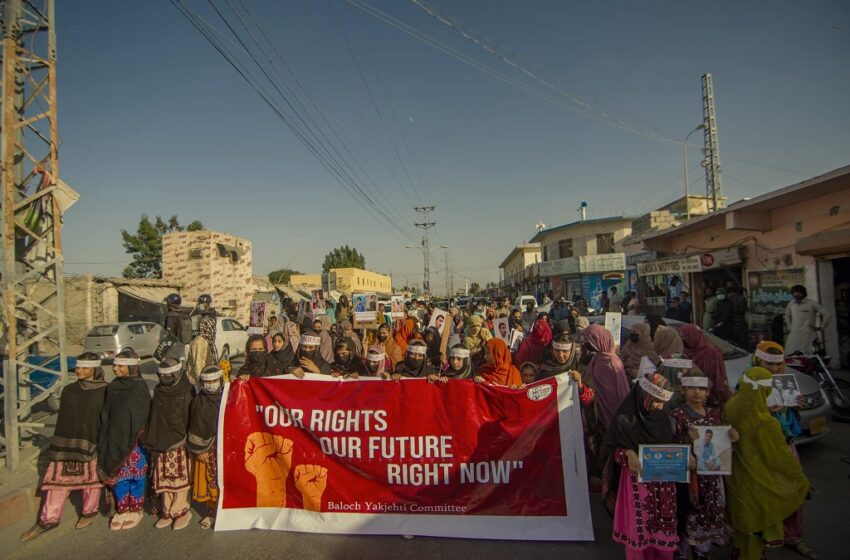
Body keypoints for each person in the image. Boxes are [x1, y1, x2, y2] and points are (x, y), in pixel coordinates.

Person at [724, 366, 810, 560]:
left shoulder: (731, 406)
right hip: (759, 481)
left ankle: (739, 552)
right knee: (757, 522)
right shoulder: (765, 421)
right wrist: (801, 480)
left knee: (742, 518)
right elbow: (780, 457)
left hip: (737, 477)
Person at [20, 353, 108, 542]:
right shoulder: (69, 390)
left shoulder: (105, 391)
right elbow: (63, 420)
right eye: (78, 367)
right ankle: (47, 520)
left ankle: (89, 512)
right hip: (65, 443)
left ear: (94, 369)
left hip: (91, 443)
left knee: (91, 483)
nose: (79, 371)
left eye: (84, 368)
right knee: (57, 484)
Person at [601, 373, 680, 560]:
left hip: (663, 490)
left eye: (662, 402)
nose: (660, 406)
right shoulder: (624, 420)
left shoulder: (662, 420)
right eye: (656, 401)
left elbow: (673, 447)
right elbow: (607, 453)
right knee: (639, 535)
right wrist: (626, 453)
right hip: (635, 488)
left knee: (663, 540)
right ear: (645, 396)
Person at [751, 341, 818, 560]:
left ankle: (792, 534)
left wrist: (793, 405)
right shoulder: (749, 380)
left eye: (778, 364)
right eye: (768, 363)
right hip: (761, 445)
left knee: (792, 486)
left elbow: (788, 417)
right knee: (764, 490)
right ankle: (763, 537)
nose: (773, 368)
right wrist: (763, 409)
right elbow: (742, 414)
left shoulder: (785, 381)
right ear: (757, 360)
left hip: (785, 441)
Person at [670, 372, 739, 560]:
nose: (697, 392)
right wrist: (686, 442)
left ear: (708, 392)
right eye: (692, 388)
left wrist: (732, 437)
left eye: (702, 388)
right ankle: (682, 553)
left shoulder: (715, 416)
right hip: (690, 480)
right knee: (688, 515)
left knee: (710, 512)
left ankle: (702, 553)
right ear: (683, 390)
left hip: (713, 478)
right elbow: (670, 446)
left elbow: (721, 448)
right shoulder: (678, 415)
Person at [97, 350, 150, 531]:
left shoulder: (139, 387)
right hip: (115, 437)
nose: (116, 369)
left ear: (131, 367)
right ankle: (122, 508)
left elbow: (142, 413)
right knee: (120, 475)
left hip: (134, 441)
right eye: (115, 365)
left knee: (136, 475)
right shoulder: (113, 387)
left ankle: (136, 508)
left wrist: (134, 433)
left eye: (120, 366)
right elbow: (107, 413)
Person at [142, 357, 194, 530]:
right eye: (162, 375)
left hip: (180, 441)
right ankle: (167, 509)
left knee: (180, 479)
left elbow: (190, 415)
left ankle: (181, 510)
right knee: (163, 478)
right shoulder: (158, 390)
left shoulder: (187, 389)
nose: (165, 378)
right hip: (161, 440)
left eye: (169, 375)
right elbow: (155, 415)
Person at [188, 365, 224, 530]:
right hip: (207, 449)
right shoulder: (198, 401)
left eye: (214, 380)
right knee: (211, 482)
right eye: (207, 382)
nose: (210, 384)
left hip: (226, 448)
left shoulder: (229, 397)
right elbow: (194, 425)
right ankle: (212, 513)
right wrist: (200, 450)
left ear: (221, 380)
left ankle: (227, 513)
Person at [582, 324, 630, 431]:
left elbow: (615, 393)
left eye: (588, 339)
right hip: (597, 411)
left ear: (597, 340)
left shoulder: (611, 363)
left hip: (611, 411)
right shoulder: (597, 358)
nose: (586, 343)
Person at [680, 324, 733, 408]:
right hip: (689, 400)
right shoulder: (683, 353)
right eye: (681, 336)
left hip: (709, 400)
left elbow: (719, 378)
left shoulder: (712, 354)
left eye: (685, 336)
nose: (682, 339)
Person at [784, 285, 830, 356]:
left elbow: (826, 314)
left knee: (809, 356)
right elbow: (787, 315)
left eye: (799, 292)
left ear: (803, 293)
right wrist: (789, 327)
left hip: (808, 335)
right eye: (794, 293)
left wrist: (821, 327)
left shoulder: (812, 303)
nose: (796, 294)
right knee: (790, 355)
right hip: (794, 335)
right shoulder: (791, 304)